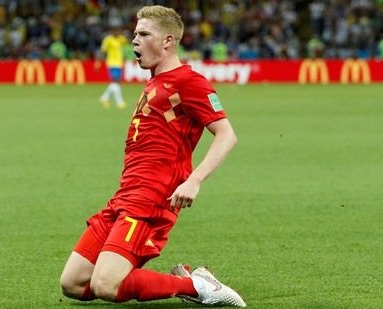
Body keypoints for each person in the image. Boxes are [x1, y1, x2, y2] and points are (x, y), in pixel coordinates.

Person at [60, 5, 246, 307]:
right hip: (125, 195)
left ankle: (198, 286)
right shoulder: (155, 83)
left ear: (167, 41)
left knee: (106, 284)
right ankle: (190, 282)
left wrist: (194, 180)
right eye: (135, 33)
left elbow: (227, 135)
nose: (134, 40)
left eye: (144, 34)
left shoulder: (189, 82)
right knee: (72, 283)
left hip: (152, 198)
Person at [99, 26, 129, 109]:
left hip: (119, 63)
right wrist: (99, 62)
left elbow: (128, 42)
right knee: (116, 82)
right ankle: (119, 102)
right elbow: (102, 50)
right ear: (112, 31)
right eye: (115, 30)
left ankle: (104, 98)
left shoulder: (121, 38)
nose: (117, 32)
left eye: (118, 30)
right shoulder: (108, 39)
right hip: (112, 63)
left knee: (116, 83)